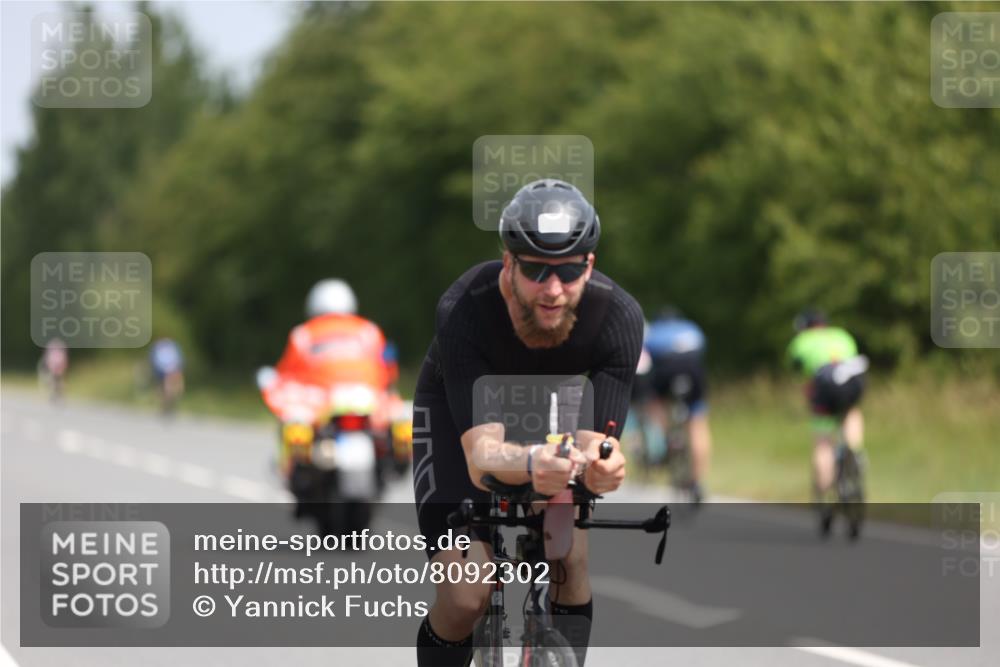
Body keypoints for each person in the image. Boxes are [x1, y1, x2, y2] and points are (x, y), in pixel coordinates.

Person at [411, 179, 642, 667]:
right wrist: (535, 462)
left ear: (590, 265)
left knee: (569, 557)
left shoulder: (617, 319)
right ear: (508, 263)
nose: (553, 290)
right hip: (464, 417)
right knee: (465, 597)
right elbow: (482, 461)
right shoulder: (464, 308)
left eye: (569, 270)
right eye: (536, 270)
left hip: (553, 409)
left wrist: (601, 470)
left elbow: (597, 446)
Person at [270, 279, 398, 459]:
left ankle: (296, 463)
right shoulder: (368, 330)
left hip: (323, 402)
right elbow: (387, 368)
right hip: (367, 397)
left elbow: (287, 374)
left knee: (294, 424)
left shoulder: (303, 334)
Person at [786, 308, 867, 525]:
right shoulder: (841, 334)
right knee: (851, 412)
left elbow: (799, 373)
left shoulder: (801, 340)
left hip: (824, 383)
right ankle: (855, 451)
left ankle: (825, 495)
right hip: (851, 379)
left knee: (823, 442)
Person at [640, 307, 712, 503]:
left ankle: (666, 439)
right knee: (697, 422)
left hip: (666, 368)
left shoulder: (653, 331)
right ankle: (697, 481)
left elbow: (644, 362)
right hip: (694, 369)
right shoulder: (691, 328)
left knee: (653, 401)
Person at [149, 337, 185, 415]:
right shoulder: (159, 347)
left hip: (171, 369)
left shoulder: (171, 346)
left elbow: (179, 358)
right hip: (163, 370)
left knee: (173, 388)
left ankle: (168, 404)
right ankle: (166, 405)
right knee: (164, 389)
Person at [39, 337, 68, 402]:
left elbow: (48, 357)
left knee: (55, 382)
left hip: (55, 367)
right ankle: (57, 395)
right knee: (57, 382)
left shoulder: (52, 346)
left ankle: (57, 395)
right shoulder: (60, 347)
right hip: (57, 367)